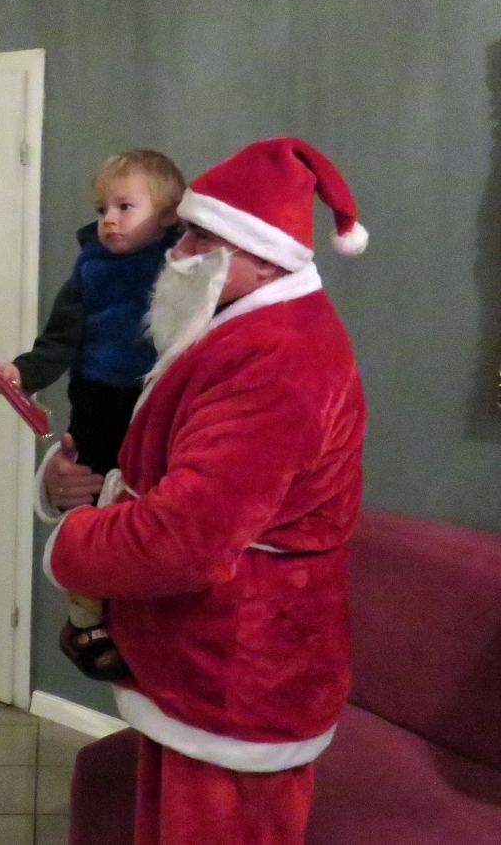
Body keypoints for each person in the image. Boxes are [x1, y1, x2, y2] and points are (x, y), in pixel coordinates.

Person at [39, 137, 368, 845]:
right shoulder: (230, 323)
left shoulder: (280, 359)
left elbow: (185, 538)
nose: (177, 252)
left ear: (263, 254)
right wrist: (70, 479)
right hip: (192, 664)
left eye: (198, 237)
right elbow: (163, 458)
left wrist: (72, 542)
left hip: (239, 677)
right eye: (183, 231)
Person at [1, 149, 186, 681]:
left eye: (126, 207)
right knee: (88, 511)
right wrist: (23, 373)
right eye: (103, 208)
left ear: (168, 215)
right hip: (97, 403)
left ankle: (140, 616)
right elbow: (59, 340)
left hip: (156, 405)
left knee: (142, 506)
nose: (109, 220)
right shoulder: (90, 270)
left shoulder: (185, 266)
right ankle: (85, 618)